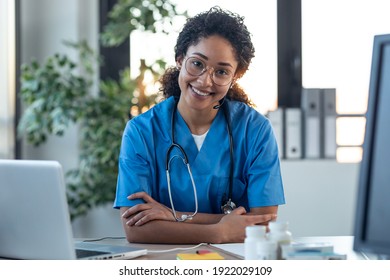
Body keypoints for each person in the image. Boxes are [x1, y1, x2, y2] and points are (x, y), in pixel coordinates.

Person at [113, 6, 285, 244]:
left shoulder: (255, 131)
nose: (205, 80)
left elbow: (263, 224)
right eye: (197, 64)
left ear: (235, 76)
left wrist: (174, 216)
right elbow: (136, 229)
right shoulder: (141, 132)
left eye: (222, 71)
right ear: (180, 59)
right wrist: (219, 231)